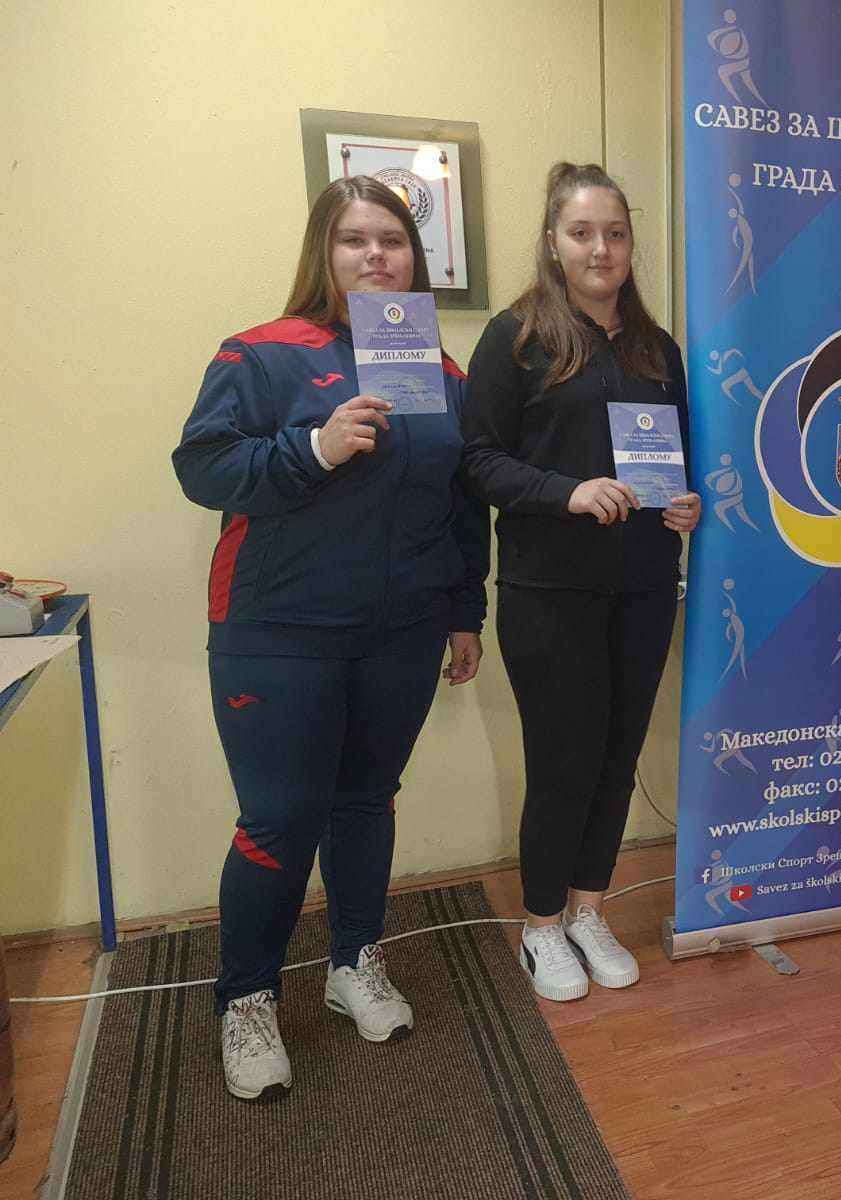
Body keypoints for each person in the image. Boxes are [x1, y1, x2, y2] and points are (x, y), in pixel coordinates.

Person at [173, 176, 490, 1101]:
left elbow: (460, 503)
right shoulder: (261, 352)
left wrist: (464, 612)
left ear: (413, 258)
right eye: (355, 239)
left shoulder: (441, 371)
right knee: (279, 818)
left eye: (392, 239)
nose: (376, 255)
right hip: (278, 631)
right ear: (325, 252)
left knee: (367, 802)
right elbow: (202, 466)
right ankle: (247, 999)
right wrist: (314, 446)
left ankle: (354, 963)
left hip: (403, 631)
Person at [462, 162, 699, 1002]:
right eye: (582, 232)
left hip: (643, 587)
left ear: (631, 244)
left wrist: (685, 504)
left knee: (616, 757)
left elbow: (677, 460)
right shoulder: (515, 338)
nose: (601, 248)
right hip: (548, 593)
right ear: (554, 242)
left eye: (616, 233)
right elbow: (477, 461)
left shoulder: (657, 350)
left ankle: (588, 910)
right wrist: (565, 492)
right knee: (563, 763)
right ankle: (540, 924)